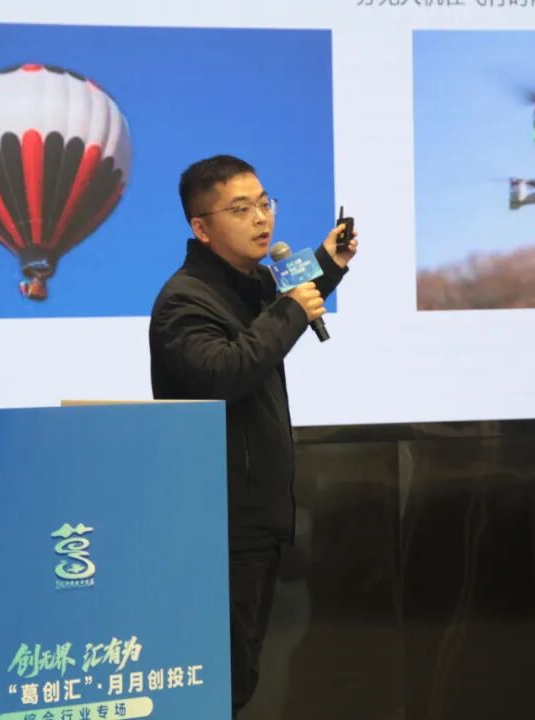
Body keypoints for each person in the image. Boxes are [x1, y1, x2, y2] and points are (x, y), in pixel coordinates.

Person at [148, 155, 357, 717]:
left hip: (255, 518)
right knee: (220, 680)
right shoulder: (184, 300)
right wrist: (290, 312)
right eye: (241, 209)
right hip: (218, 524)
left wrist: (329, 262)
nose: (262, 219)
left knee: (240, 676)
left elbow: (289, 291)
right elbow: (225, 373)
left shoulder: (254, 283)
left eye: (265, 203)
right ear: (202, 227)